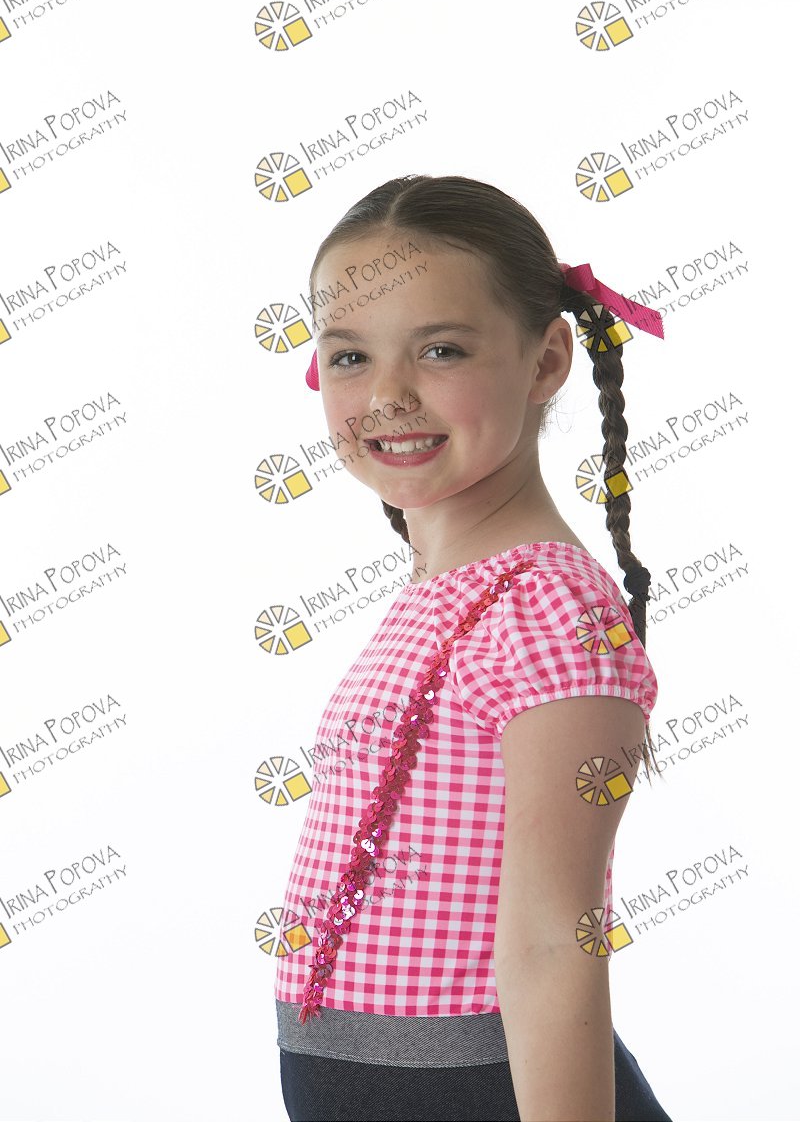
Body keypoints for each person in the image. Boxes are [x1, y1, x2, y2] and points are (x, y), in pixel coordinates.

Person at [274, 174, 672, 1121]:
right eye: (351, 356)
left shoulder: (548, 608)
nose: (388, 395)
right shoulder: (445, 590)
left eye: (441, 350)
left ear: (546, 360)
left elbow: (556, 941)